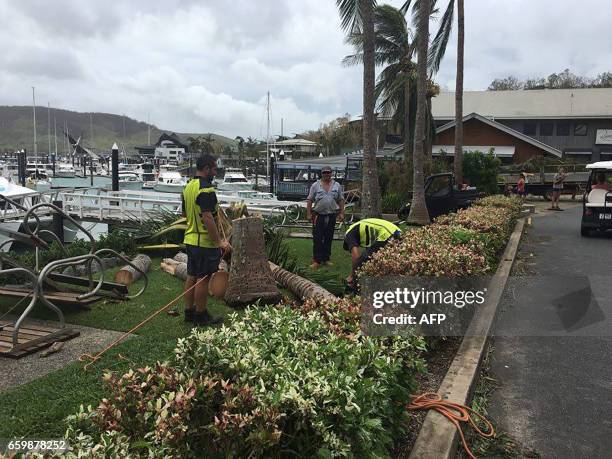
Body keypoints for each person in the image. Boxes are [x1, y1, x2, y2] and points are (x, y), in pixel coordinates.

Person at [181, 155, 231, 326]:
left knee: (191, 276)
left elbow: (185, 214)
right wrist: (219, 242)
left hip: (190, 238)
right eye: (214, 169)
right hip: (204, 242)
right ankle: (201, 315)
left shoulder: (188, 187)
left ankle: (189, 312)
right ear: (207, 168)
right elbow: (208, 217)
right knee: (204, 278)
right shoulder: (206, 189)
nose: (216, 172)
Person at [343, 218, 402, 287]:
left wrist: (352, 275)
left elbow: (356, 256)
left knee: (359, 264)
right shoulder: (360, 230)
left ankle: (355, 288)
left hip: (386, 233)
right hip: (396, 231)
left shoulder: (349, 235)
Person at [306, 166, 345, 269]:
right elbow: (310, 200)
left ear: (331, 173)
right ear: (321, 173)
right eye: (324, 172)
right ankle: (316, 260)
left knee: (328, 238)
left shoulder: (337, 185)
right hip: (318, 216)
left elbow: (341, 200)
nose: (326, 174)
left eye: (328, 172)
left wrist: (342, 213)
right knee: (317, 238)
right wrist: (309, 214)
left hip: (331, 215)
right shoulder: (315, 185)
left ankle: (326, 259)